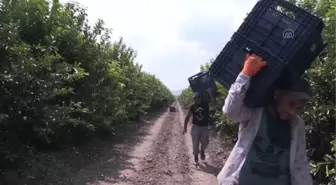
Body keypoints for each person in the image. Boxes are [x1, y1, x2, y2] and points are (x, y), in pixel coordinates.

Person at [217, 54, 313, 185]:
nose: (294, 110)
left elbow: (300, 162)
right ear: (277, 95)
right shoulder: (256, 114)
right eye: (291, 103)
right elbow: (231, 111)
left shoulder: (297, 124)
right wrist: (245, 74)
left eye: (299, 107)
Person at [183, 92, 210, 164]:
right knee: (195, 144)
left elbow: (213, 103)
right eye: (194, 98)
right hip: (195, 127)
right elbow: (187, 117)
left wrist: (210, 93)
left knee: (206, 142)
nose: (196, 99)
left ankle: (202, 150)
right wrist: (185, 127)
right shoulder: (192, 106)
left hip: (204, 127)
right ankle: (196, 156)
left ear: (200, 97)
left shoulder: (205, 105)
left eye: (197, 97)